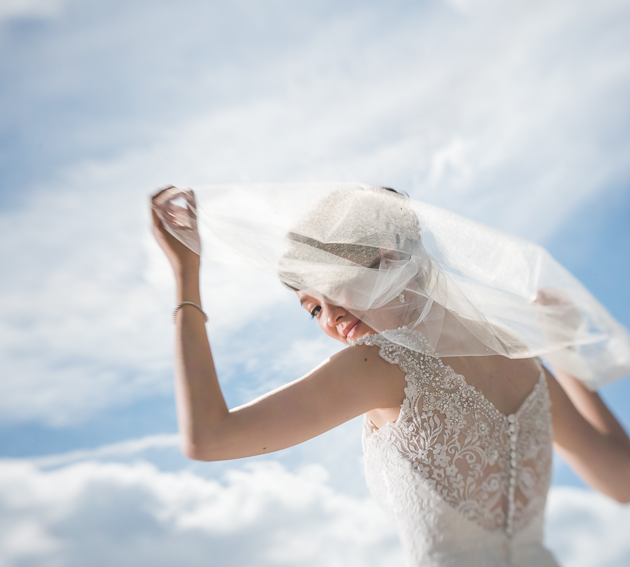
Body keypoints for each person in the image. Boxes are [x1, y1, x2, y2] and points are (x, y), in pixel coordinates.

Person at [150, 183, 630, 567]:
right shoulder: (523, 361)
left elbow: (209, 438)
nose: (330, 317)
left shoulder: (382, 366)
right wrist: (564, 359)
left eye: (334, 285)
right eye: (312, 308)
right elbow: (621, 480)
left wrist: (185, 276)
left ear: (390, 259)